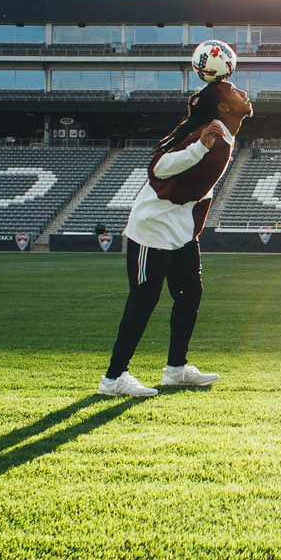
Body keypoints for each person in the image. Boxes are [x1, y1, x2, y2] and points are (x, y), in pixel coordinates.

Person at [97, 79, 253, 397]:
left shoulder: (222, 132)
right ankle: (114, 378)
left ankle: (176, 370)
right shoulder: (205, 134)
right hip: (152, 227)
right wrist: (199, 148)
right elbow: (158, 168)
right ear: (223, 107)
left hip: (181, 230)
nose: (244, 94)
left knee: (190, 294)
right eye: (236, 91)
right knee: (144, 300)